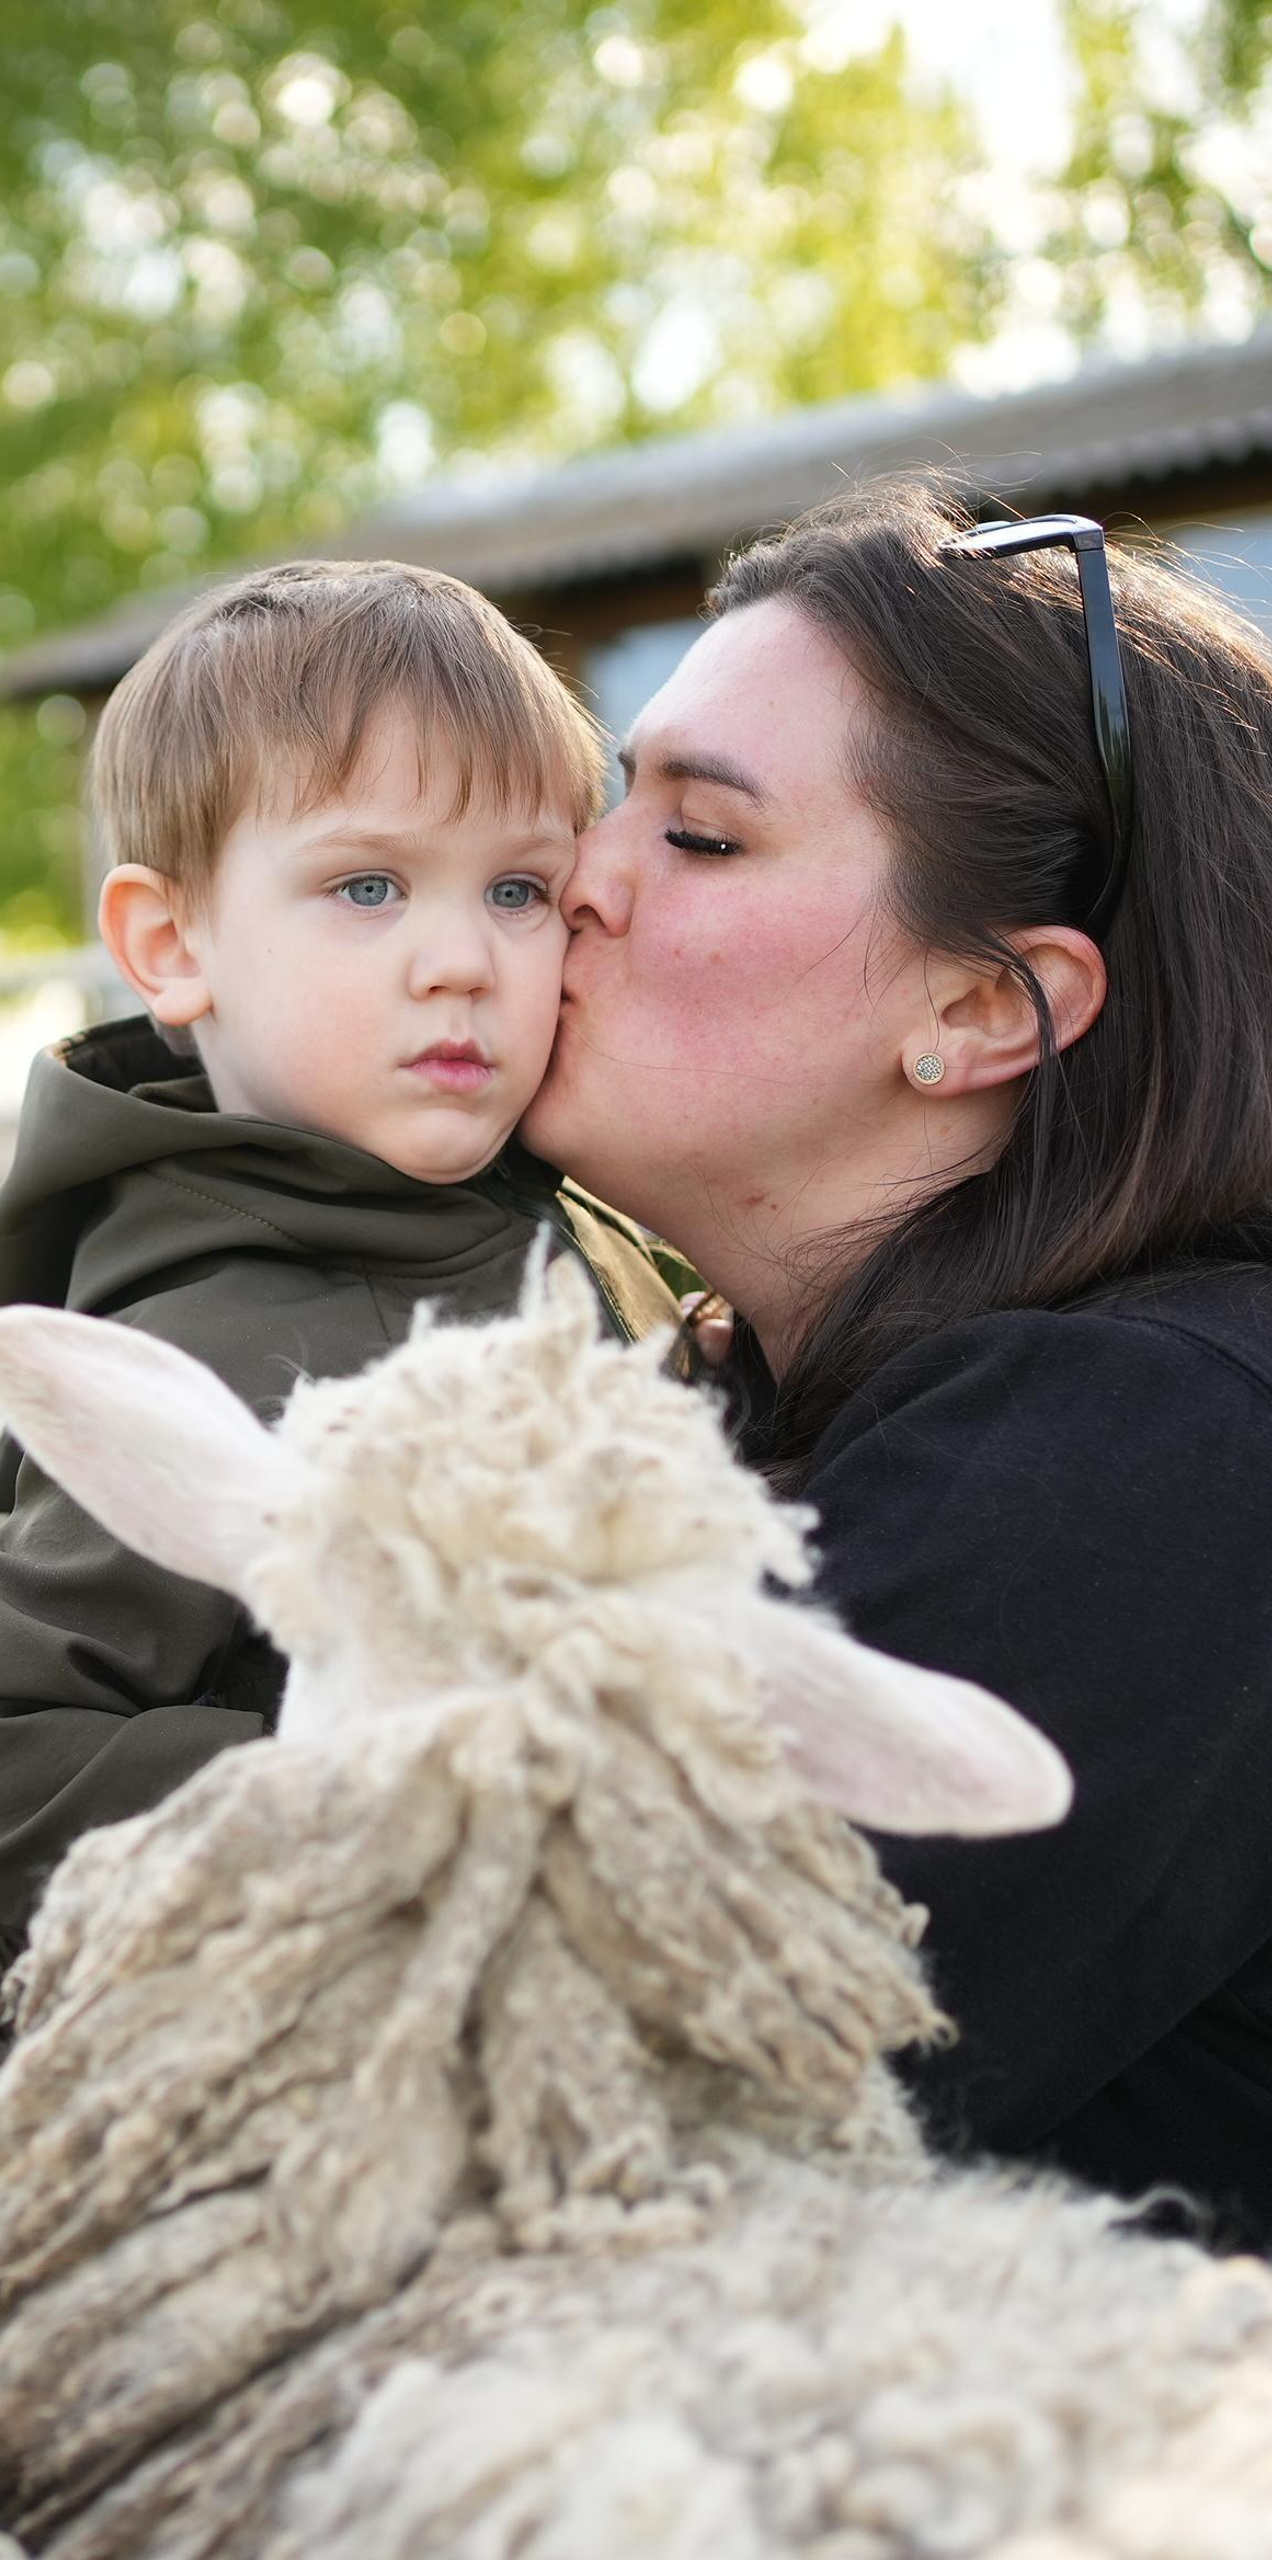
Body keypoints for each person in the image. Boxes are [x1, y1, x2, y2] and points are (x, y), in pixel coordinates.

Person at [524, 476, 1272, 2252]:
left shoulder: (1147, 1453)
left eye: (697, 837)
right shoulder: (742, 1411)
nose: (576, 883)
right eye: (613, 798)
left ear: (980, 1013)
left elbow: (607, 2110)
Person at [0, 559, 677, 1937]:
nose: (464, 960)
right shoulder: (210, 1338)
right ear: (170, 942)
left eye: (518, 891)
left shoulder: (565, 1215)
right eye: (370, 887)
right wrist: (398, 1776)